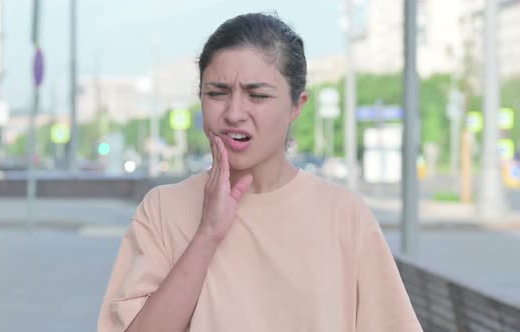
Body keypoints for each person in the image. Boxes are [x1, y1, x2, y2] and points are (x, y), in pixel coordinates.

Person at [98, 13, 422, 332]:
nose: (234, 113)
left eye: (258, 95)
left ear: (297, 105)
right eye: (217, 93)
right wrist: (207, 234)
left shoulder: (344, 215)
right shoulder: (161, 210)